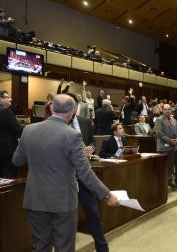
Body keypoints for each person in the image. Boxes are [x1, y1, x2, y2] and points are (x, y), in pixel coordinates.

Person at [12, 94, 119, 252]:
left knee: (41, 247)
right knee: (64, 247)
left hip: (35, 200)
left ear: (52, 108)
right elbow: (84, 172)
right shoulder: (72, 135)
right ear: (73, 111)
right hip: (63, 202)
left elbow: (16, 161)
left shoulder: (28, 130)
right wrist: (107, 195)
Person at [66, 93, 109, 252]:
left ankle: (102, 247)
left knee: (92, 212)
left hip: (84, 174)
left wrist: (92, 147)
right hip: (66, 177)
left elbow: (92, 140)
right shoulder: (60, 125)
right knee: (68, 217)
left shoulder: (85, 122)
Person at [154, 104, 177, 187]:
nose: (168, 111)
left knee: (171, 165)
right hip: (163, 147)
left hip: (173, 146)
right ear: (162, 110)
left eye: (169, 109)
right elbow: (159, 133)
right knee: (163, 166)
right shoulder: (159, 120)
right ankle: (162, 182)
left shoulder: (174, 120)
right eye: (166, 109)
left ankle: (170, 180)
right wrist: (169, 141)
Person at [0, 90, 23, 177]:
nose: (11, 99)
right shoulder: (5, 111)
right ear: (0, 99)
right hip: (6, 151)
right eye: (8, 97)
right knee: (9, 179)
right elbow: (17, 129)